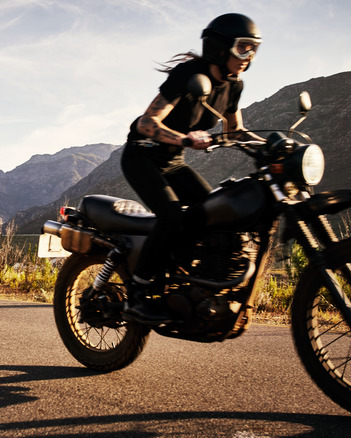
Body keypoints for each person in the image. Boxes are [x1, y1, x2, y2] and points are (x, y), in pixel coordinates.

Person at [121, 13, 262, 324]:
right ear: (220, 47)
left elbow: (234, 131)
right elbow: (146, 124)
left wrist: (268, 146)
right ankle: (138, 292)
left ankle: (186, 278)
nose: (248, 56)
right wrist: (184, 139)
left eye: (254, 48)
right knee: (171, 215)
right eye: (243, 47)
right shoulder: (188, 75)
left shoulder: (233, 85)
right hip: (142, 156)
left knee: (212, 213)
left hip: (173, 163)